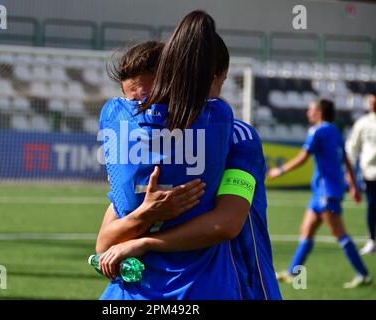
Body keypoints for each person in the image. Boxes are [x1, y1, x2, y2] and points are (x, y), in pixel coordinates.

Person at [97, 11, 269, 299]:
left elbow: (226, 223)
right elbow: (105, 242)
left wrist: (145, 241)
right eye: (132, 100)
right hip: (144, 290)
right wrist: (145, 214)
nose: (143, 107)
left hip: (229, 279)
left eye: (149, 97)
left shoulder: (237, 137)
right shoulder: (138, 145)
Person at [268, 99, 372, 288]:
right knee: (306, 231)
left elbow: (302, 158)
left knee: (339, 233)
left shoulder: (317, 131)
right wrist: (354, 185)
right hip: (322, 192)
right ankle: (293, 273)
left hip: (326, 192)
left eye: (311, 110)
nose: (308, 113)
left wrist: (279, 171)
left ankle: (363, 274)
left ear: (319, 112)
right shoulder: (333, 130)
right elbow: (346, 157)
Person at [346, 91, 376, 255]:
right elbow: (352, 146)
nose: (372, 104)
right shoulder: (364, 123)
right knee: (372, 206)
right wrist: (349, 167)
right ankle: (372, 240)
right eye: (371, 101)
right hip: (370, 172)